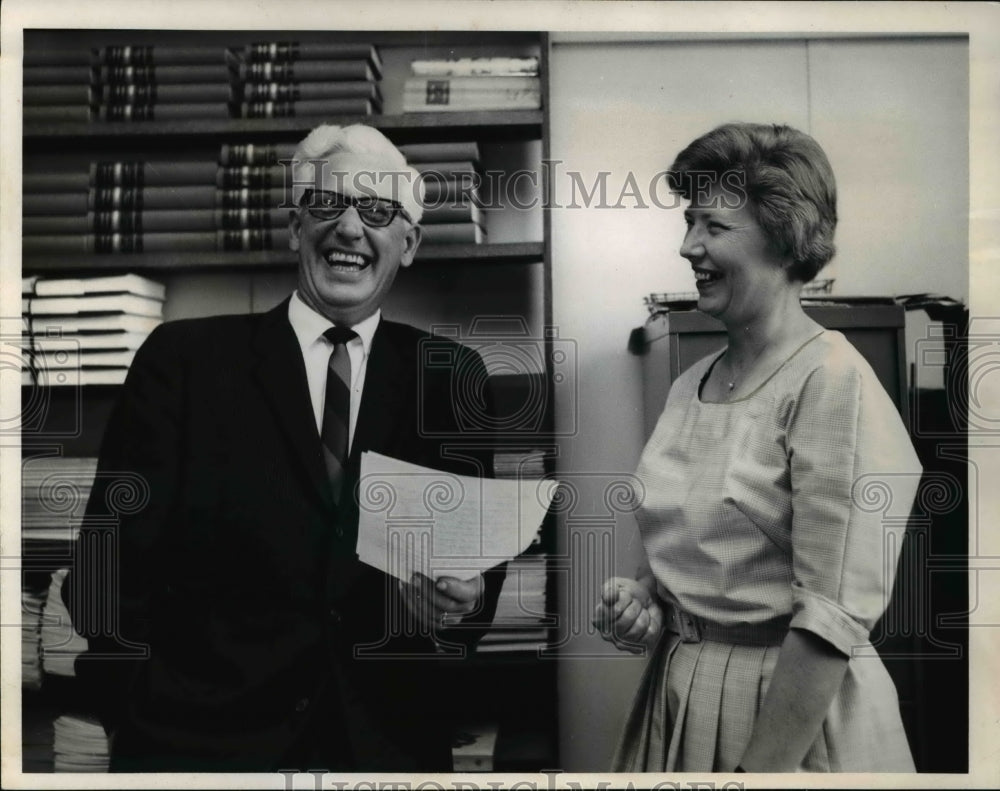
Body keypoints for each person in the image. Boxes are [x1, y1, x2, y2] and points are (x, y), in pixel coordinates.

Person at [63, 123, 504, 772]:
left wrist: (463, 598)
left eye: (378, 211)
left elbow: (472, 591)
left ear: (408, 243)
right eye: (328, 205)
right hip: (200, 752)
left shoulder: (449, 377)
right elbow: (103, 584)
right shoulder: (183, 363)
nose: (351, 229)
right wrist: (139, 722)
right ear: (295, 226)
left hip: (382, 752)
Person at [593, 122, 922, 772]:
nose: (688, 246)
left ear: (780, 237)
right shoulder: (690, 383)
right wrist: (642, 598)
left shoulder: (832, 380)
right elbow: (694, 558)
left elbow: (829, 621)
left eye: (713, 226)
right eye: (689, 222)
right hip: (680, 698)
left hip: (791, 721)